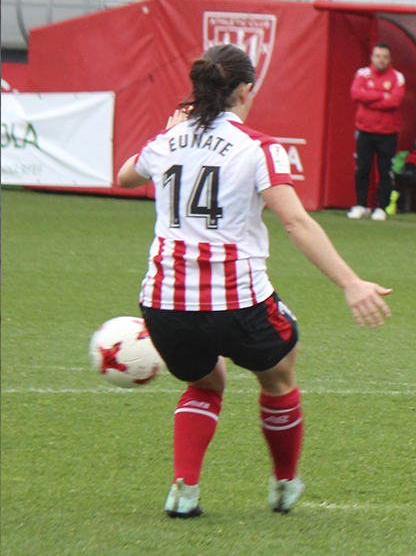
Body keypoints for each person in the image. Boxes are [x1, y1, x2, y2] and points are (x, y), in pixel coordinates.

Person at [115, 44, 393, 518]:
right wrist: (350, 282)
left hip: (163, 302)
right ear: (245, 89)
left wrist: (171, 132)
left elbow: (123, 177)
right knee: (280, 374)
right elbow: (296, 222)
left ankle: (184, 489)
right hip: (235, 300)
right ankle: (284, 484)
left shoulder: (168, 141)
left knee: (205, 383)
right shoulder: (260, 147)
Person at [348, 43, 406, 221]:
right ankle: (361, 205)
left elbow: (394, 101)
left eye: (385, 57)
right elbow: (356, 94)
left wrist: (370, 96)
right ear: (372, 57)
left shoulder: (397, 77)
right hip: (365, 131)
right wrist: (382, 94)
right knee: (362, 169)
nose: (381, 60)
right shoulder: (362, 73)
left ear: (390, 59)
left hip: (388, 133)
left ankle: (381, 207)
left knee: (385, 170)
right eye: (378, 56)